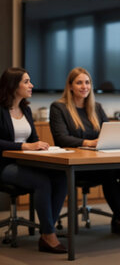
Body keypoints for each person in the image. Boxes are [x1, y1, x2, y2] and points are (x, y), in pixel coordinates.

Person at [49, 67, 120, 238]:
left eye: (87, 82)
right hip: (74, 165)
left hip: (97, 161)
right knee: (108, 172)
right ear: (70, 86)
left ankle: (118, 219)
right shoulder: (59, 107)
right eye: (79, 83)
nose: (84, 86)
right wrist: (89, 143)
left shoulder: (96, 107)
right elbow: (61, 138)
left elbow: (108, 133)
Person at [0, 67, 67, 254]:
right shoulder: (1, 110)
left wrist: (41, 146)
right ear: (13, 85)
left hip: (26, 163)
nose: (32, 85)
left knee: (62, 176)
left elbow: (34, 140)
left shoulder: (26, 109)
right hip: (4, 166)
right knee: (42, 181)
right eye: (26, 81)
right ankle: (49, 235)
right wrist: (23, 147)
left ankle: (47, 232)